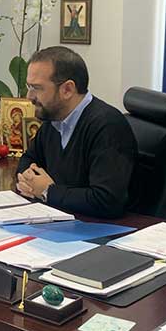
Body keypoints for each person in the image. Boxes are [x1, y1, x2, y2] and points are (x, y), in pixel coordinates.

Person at [16, 46, 137, 218]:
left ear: (67, 89)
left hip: (99, 228)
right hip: (61, 219)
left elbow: (107, 201)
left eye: (37, 88)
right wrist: (27, 179)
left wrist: (48, 191)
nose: (29, 96)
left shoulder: (107, 126)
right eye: (29, 86)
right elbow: (29, 159)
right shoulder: (54, 117)